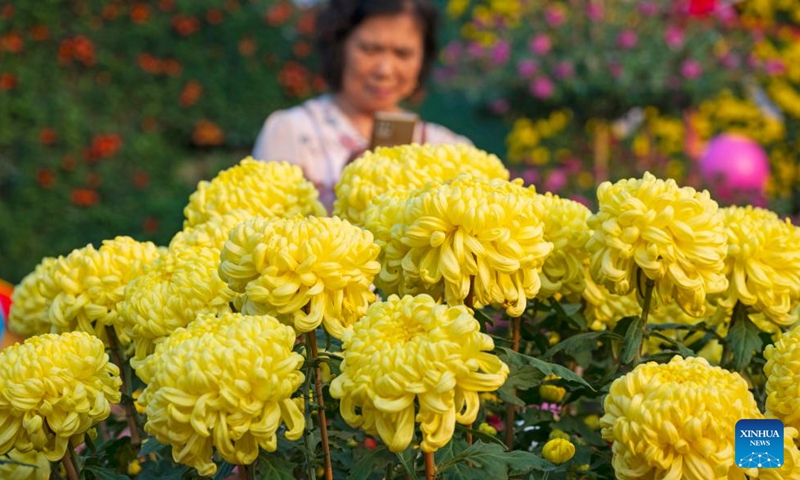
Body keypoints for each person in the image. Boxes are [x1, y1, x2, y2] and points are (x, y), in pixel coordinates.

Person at [252, 0, 472, 211]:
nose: (384, 70)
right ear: (340, 47)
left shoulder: (450, 148)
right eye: (370, 49)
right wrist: (348, 194)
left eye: (403, 53)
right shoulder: (291, 132)